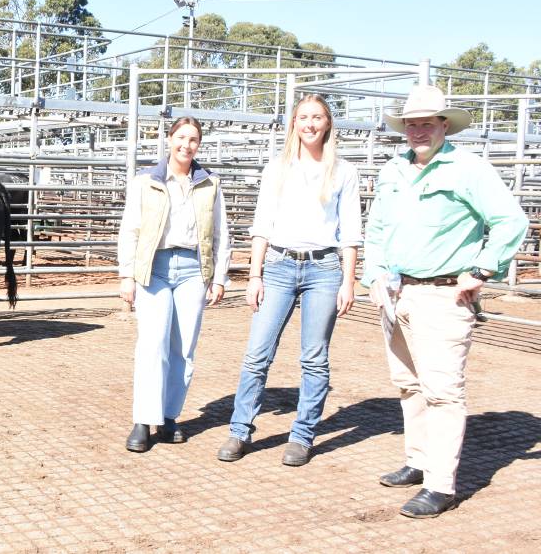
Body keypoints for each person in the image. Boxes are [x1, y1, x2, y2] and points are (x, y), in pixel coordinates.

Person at [364, 84, 527, 518]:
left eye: (425, 123)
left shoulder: (467, 168)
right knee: (409, 383)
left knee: (442, 391)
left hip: (442, 292)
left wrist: (483, 268)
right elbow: (377, 226)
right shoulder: (392, 170)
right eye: (411, 124)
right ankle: (418, 460)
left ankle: (441, 484)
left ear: (443, 125)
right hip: (397, 291)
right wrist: (374, 274)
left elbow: (511, 220)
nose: (417, 130)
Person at [217, 95, 362, 467]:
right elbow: (262, 224)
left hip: (324, 268)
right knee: (257, 353)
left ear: (328, 123)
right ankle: (240, 429)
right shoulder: (278, 168)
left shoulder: (343, 171)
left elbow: (350, 231)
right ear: (293, 124)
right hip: (280, 265)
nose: (309, 124)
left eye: (317, 117)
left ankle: (302, 435)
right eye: (303, 118)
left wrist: (349, 280)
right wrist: (255, 273)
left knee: (314, 358)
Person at [117, 116, 230, 453]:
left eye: (193, 139)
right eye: (181, 138)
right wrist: (126, 274)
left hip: (194, 269)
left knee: (183, 347)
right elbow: (131, 229)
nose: (186, 145)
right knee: (152, 343)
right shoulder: (146, 181)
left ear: (199, 144)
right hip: (156, 267)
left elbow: (222, 233)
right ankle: (142, 418)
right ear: (169, 140)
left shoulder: (210, 183)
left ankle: (168, 416)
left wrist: (219, 276)